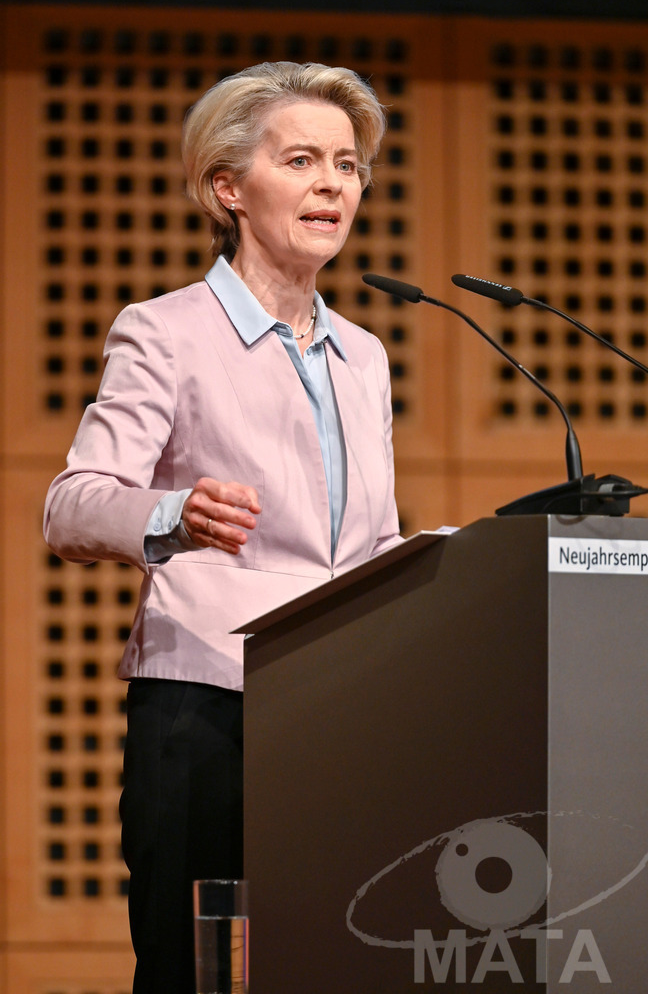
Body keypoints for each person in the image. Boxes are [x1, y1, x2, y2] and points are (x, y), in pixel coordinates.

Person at [43, 61, 402, 993]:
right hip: (211, 706)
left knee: (329, 959)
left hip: (342, 704)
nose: (334, 183)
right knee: (199, 972)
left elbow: (367, 546)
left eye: (349, 164)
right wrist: (175, 512)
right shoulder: (164, 332)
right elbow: (73, 504)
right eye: (302, 160)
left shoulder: (363, 357)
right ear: (227, 188)